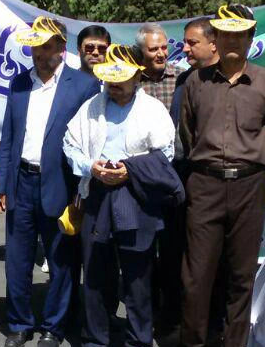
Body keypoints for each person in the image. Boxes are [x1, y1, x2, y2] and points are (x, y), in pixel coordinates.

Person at [177, 3, 265, 347]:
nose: (232, 41)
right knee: (196, 277)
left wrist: (257, 168)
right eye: (226, 34)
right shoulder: (196, 81)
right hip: (205, 185)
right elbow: (187, 133)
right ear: (217, 39)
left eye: (240, 35)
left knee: (241, 276)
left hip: (249, 187)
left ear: (251, 38)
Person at [0, 16, 99, 347]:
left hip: (61, 185)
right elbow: (9, 137)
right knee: (17, 260)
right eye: (35, 48)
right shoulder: (20, 84)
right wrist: (0, 183)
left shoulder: (83, 86)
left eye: (46, 47)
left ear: (61, 47)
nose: (39, 53)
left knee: (61, 260)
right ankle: (19, 324)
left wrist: (81, 192)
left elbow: (89, 141)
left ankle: (54, 326)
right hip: (21, 182)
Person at [64, 44, 179, 347]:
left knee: (137, 277)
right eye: (110, 78)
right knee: (95, 274)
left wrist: (130, 170)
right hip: (97, 193)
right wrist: (91, 166)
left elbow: (166, 152)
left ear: (137, 77)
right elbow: (70, 144)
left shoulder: (152, 109)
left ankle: (138, 340)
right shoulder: (91, 106)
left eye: (121, 78)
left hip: (136, 196)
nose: (113, 84)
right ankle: (95, 340)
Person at [155, 16, 218, 339]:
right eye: (185, 42)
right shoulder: (184, 80)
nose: (186, 49)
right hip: (180, 184)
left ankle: (212, 327)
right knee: (173, 255)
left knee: (209, 262)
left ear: (214, 43)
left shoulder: (225, 82)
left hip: (213, 187)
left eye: (192, 43)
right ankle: (172, 321)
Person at [137, 24, 180, 104]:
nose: (161, 54)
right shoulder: (132, 80)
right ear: (140, 52)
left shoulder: (181, 77)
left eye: (164, 48)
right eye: (154, 49)